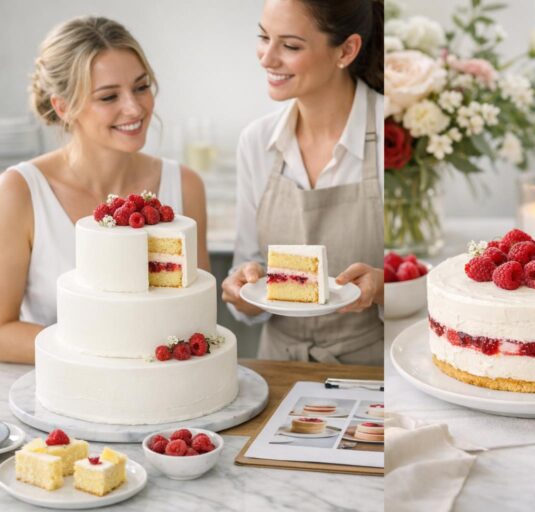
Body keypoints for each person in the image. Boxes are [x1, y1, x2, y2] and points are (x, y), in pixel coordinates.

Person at [0, 16, 210, 364]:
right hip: (58, 397)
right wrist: (110, 354)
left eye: (141, 87)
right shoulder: (19, 191)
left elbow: (196, 315)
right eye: (109, 96)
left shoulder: (185, 185)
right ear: (63, 107)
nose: (134, 107)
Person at [221, 0, 384, 364]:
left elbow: (423, 274)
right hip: (279, 366)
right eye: (264, 37)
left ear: (346, 50)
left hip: (374, 369)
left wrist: (384, 286)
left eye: (290, 46)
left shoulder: (394, 132)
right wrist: (241, 288)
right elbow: (247, 267)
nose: (266, 58)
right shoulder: (256, 142)